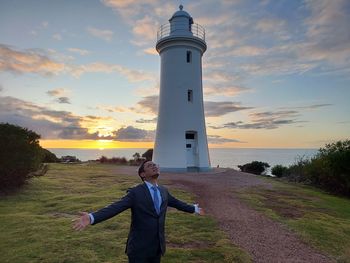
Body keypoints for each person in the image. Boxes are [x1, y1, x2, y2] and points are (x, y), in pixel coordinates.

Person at [72, 160, 204, 263]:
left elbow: (178, 203)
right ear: (142, 174)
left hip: (157, 247)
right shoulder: (136, 193)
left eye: (155, 165)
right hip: (139, 249)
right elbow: (116, 207)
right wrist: (92, 217)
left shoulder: (164, 191)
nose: (154, 166)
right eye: (149, 166)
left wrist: (194, 209)